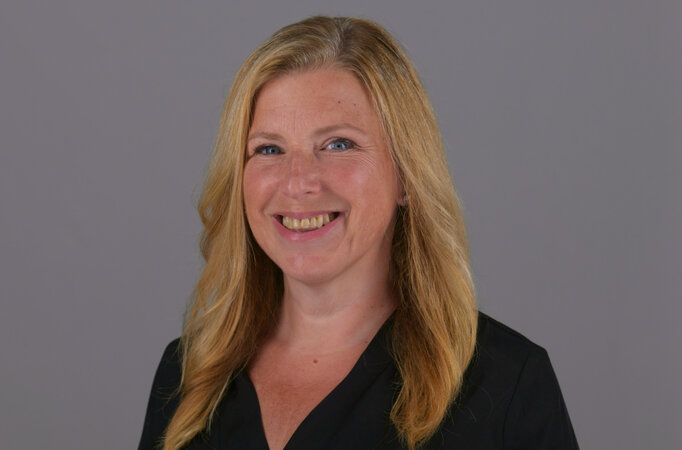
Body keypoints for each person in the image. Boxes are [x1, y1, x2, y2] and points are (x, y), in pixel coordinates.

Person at [139, 16, 578, 450]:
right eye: (269, 149)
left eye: (338, 144)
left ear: (406, 176)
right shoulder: (189, 376)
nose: (298, 182)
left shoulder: (505, 385)